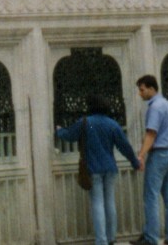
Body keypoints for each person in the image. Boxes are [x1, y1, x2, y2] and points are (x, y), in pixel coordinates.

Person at [55, 94, 140, 245]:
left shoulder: (86, 123)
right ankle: (111, 237)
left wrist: (58, 130)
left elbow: (69, 135)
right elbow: (124, 146)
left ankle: (101, 240)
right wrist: (135, 162)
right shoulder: (112, 124)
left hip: (93, 169)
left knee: (98, 203)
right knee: (110, 202)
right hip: (110, 168)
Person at [134, 74, 168, 245]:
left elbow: (151, 133)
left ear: (152, 88)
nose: (141, 94)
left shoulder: (154, 107)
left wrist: (141, 154)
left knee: (151, 196)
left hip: (159, 155)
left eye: (142, 89)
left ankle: (151, 238)